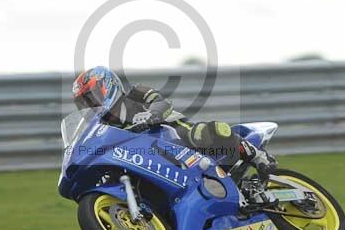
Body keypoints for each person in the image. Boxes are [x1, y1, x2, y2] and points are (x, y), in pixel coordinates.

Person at [71, 66, 276, 180]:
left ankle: (256, 155)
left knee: (207, 131)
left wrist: (152, 114)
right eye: (85, 102)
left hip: (176, 137)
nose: (91, 105)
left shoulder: (135, 93)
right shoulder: (107, 128)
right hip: (150, 158)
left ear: (107, 85)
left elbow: (162, 102)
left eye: (92, 97)